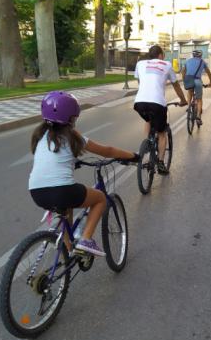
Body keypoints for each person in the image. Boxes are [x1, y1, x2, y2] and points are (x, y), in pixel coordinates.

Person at [29, 91, 137, 257]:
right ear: (71, 118)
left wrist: (71, 162)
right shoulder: (72, 135)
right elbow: (107, 151)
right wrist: (132, 156)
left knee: (67, 209)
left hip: (37, 192)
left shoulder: (39, 135)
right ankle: (86, 240)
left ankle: (68, 251)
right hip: (62, 190)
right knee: (100, 198)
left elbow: (51, 160)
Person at [134, 44, 187, 174]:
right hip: (157, 104)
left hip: (139, 103)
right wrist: (183, 100)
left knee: (148, 119)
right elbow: (176, 86)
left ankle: (146, 144)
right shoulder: (167, 64)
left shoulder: (140, 64)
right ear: (160, 55)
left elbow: (141, 82)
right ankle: (161, 164)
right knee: (162, 133)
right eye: (163, 55)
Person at [181, 50, 211, 126]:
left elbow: (183, 72)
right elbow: (209, 73)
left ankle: (189, 107)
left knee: (189, 92)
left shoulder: (188, 61)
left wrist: (184, 80)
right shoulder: (202, 62)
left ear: (193, 55)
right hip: (198, 81)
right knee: (199, 99)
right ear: (201, 56)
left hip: (189, 80)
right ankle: (198, 117)